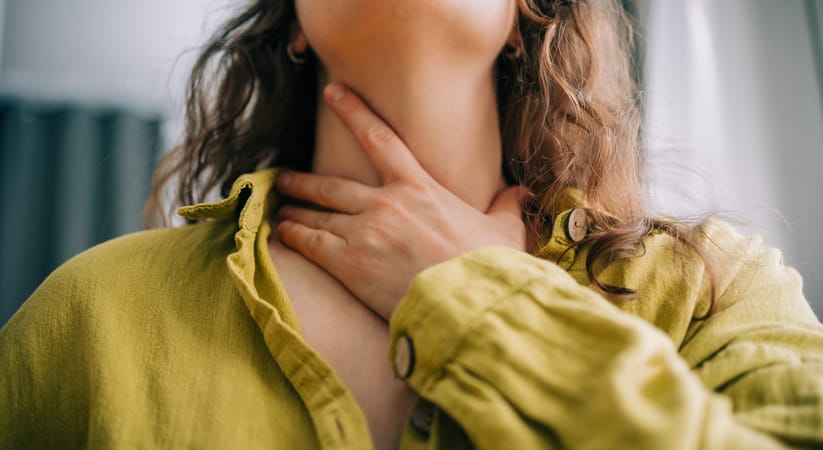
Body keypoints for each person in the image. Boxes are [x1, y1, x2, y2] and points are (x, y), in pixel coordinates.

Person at [1, 0, 822, 448]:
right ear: (293, 23)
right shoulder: (87, 317)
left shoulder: (715, 290)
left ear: (526, 11)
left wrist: (480, 298)